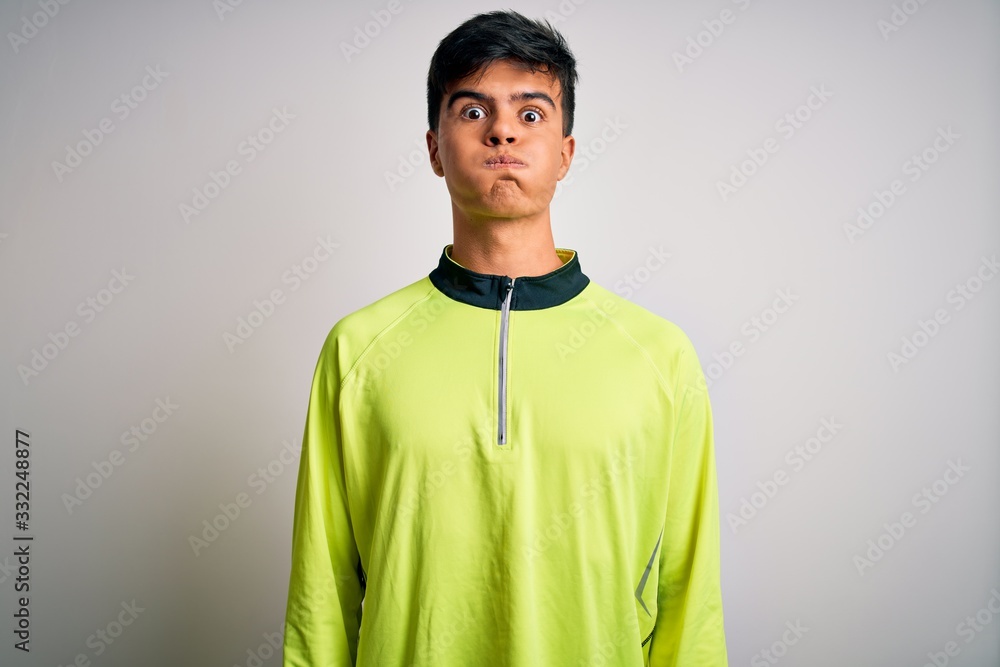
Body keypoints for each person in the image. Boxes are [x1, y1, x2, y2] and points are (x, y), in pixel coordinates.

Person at [282, 9, 728, 666]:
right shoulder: (357, 348)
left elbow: (690, 592)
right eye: (471, 111)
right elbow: (321, 591)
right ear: (434, 149)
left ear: (565, 153)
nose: (500, 132)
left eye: (530, 113)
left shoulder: (659, 355)